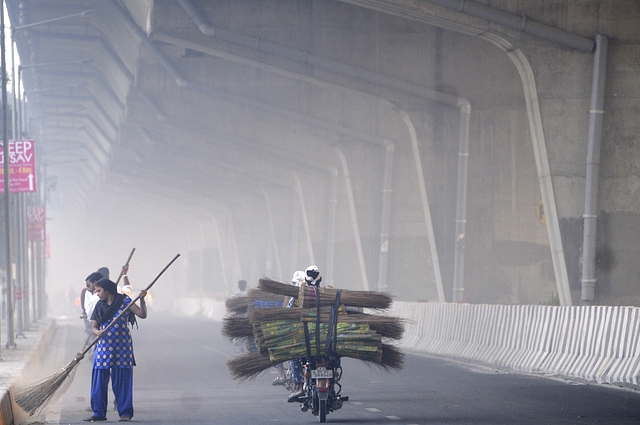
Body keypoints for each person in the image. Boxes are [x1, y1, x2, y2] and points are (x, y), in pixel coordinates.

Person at [85, 277, 148, 422]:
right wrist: (98, 332)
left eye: (99, 290)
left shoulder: (125, 302)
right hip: (103, 348)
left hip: (122, 348)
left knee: (122, 381)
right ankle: (98, 413)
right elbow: (94, 327)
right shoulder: (99, 306)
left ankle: (125, 413)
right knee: (99, 380)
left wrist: (142, 300)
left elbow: (142, 314)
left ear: (107, 290)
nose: (98, 294)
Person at [288, 265, 322, 401]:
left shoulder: (298, 297)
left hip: (304, 338)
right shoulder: (327, 294)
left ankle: (299, 387)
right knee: (333, 359)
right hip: (324, 339)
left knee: (294, 358)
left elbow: (288, 311)